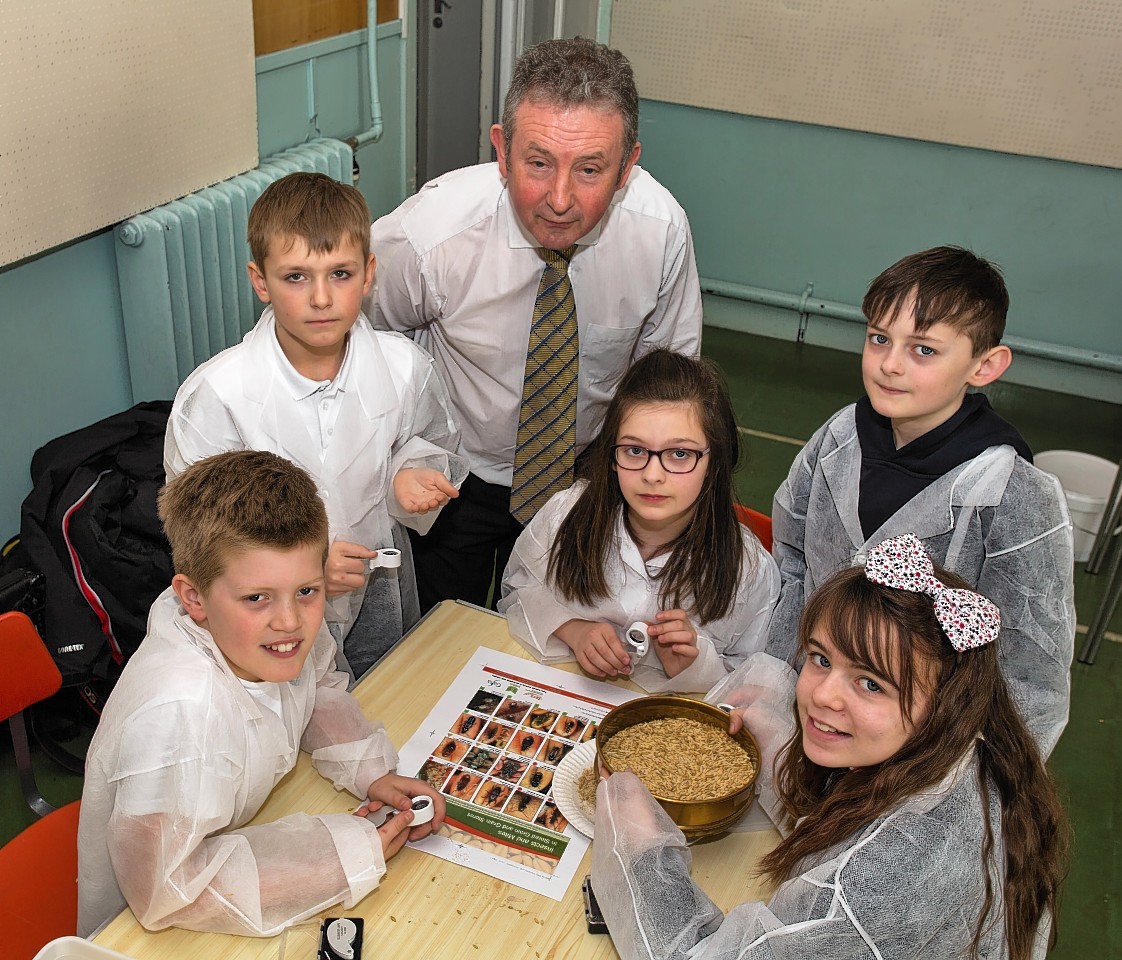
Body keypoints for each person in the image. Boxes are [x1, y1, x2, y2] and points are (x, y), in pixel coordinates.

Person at [592, 534, 1068, 960]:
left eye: (871, 684)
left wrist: (641, 850)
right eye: (821, 659)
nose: (821, 694)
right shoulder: (955, 754)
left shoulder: (883, 886)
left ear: (945, 706)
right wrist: (779, 753)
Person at [366, 37, 702, 611]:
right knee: (439, 638)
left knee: (560, 644)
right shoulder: (428, 236)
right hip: (451, 477)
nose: (560, 199)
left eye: (591, 169)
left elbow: (667, 383)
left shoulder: (660, 232)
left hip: (585, 482)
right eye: (538, 163)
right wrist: (400, 457)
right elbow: (355, 346)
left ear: (627, 168)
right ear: (502, 150)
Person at [77, 451, 447, 937]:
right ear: (193, 598)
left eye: (308, 591)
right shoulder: (178, 714)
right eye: (257, 598)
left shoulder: (261, 636)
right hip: (147, 932)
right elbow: (166, 889)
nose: (291, 622)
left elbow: (313, 690)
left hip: (225, 839)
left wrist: (369, 770)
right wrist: (350, 855)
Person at [763, 246, 1074, 756]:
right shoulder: (840, 437)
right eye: (879, 339)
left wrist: (957, 790)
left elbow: (1029, 676)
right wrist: (777, 685)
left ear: (985, 365)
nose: (889, 365)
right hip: (814, 716)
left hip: (918, 754)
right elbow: (792, 561)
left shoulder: (1009, 493)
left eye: (923, 350)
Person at [165, 172, 466, 677]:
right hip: (268, 615)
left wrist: (407, 475)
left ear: (369, 273)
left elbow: (426, 440)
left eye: (341, 274)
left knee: (381, 696)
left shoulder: (405, 368)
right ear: (260, 280)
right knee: (289, 729)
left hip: (375, 586)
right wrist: (302, 573)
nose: (322, 298)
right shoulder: (219, 396)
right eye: (297, 277)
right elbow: (201, 532)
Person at [499, 350, 779, 692]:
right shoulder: (565, 514)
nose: (652, 474)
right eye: (634, 450)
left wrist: (693, 667)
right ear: (612, 456)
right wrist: (571, 629)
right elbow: (518, 588)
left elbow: (753, 682)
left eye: (679, 454)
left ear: (715, 462)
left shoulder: (748, 570)